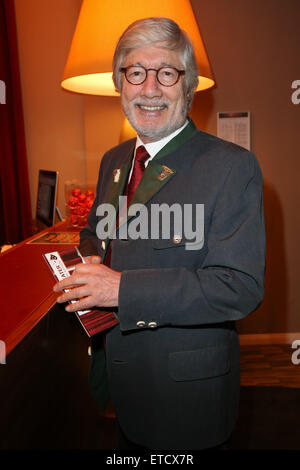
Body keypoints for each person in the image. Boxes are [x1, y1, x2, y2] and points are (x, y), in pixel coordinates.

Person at [53, 17, 265, 450]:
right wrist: (92, 256)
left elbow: (239, 287)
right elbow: (97, 230)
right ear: (120, 83)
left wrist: (121, 290)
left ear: (187, 87)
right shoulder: (115, 159)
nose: (150, 89)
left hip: (186, 395)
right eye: (136, 72)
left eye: (167, 73)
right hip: (121, 378)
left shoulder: (232, 167)